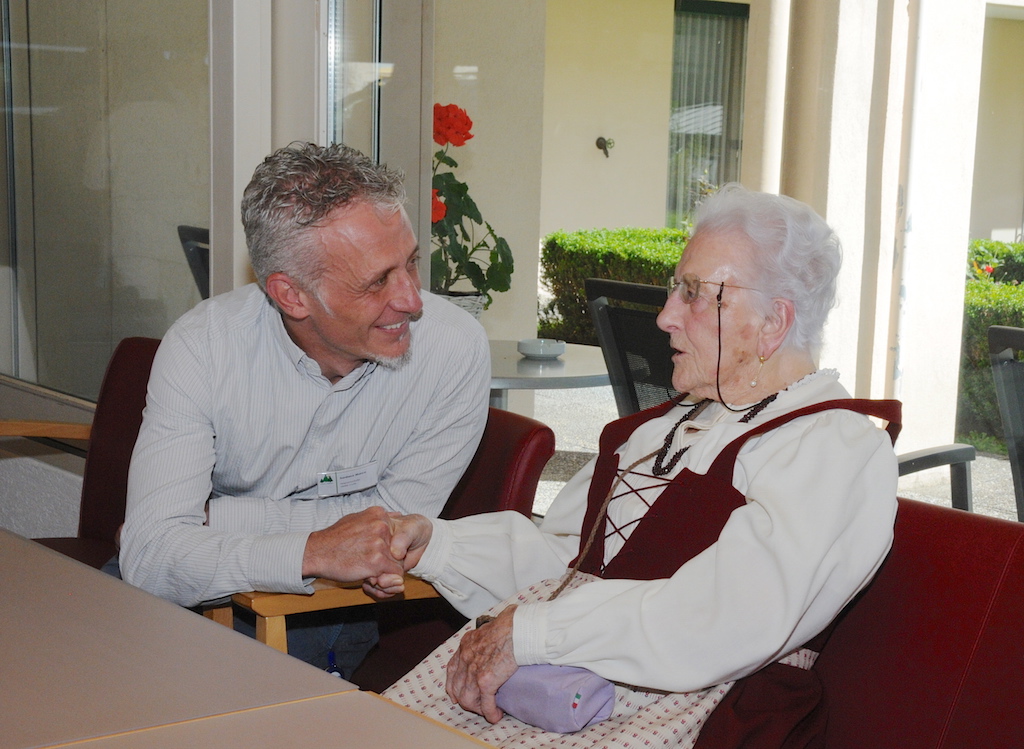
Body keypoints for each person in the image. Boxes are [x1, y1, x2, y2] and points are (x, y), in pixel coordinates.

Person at [369, 184, 900, 747]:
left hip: (701, 713)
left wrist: (535, 633)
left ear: (773, 322)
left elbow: (728, 618)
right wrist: (439, 547)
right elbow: (568, 566)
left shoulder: (832, 446)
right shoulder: (665, 427)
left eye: (694, 294)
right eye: (675, 289)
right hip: (570, 691)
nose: (666, 316)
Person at [119, 142, 491, 675]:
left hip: (322, 608)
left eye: (411, 262)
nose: (412, 299)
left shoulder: (453, 348)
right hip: (178, 597)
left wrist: (215, 518)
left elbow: (388, 533)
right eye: (377, 281)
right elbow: (152, 559)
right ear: (291, 296)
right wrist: (313, 549)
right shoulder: (204, 345)